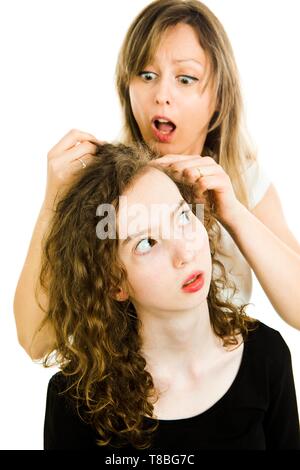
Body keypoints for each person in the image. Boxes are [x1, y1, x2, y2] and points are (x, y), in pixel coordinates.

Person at [14, 0, 300, 363]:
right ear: (126, 86)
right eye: (147, 75)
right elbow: (35, 341)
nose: (161, 94)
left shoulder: (243, 181)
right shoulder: (104, 193)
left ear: (219, 98)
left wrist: (234, 212)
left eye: (186, 79)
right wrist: (53, 204)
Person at [42, 143, 299, 451]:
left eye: (183, 218)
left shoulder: (266, 356)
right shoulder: (75, 401)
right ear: (114, 283)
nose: (185, 253)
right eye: (147, 243)